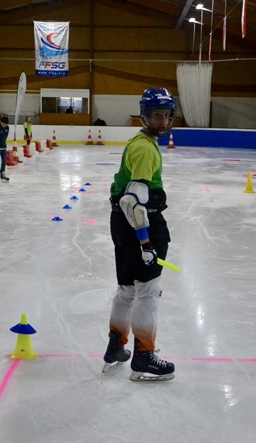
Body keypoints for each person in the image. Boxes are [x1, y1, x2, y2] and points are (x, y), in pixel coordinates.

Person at [102, 88, 176, 382]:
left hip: (121, 226)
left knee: (126, 290)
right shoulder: (145, 148)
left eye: (167, 116)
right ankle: (143, 357)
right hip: (141, 227)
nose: (163, 121)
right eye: (157, 115)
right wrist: (146, 242)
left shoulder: (139, 141)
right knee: (147, 293)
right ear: (144, 115)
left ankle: (115, 348)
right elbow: (132, 201)